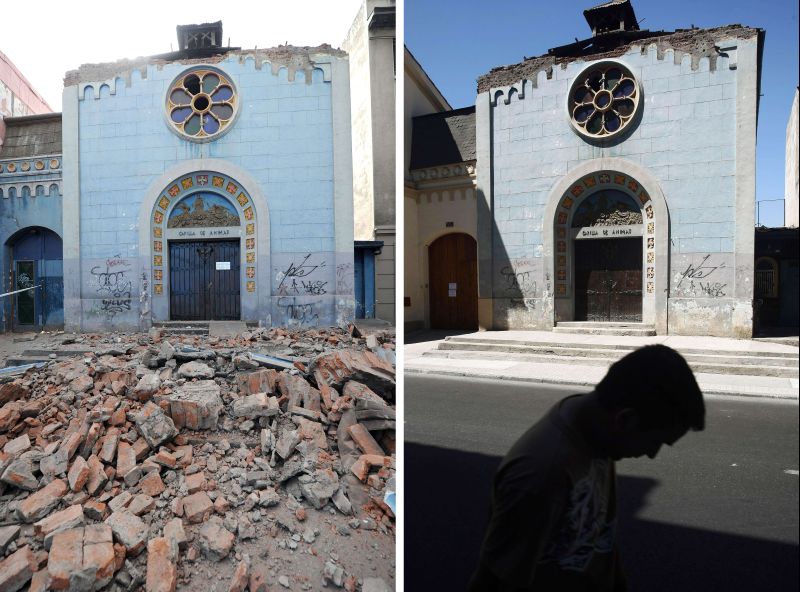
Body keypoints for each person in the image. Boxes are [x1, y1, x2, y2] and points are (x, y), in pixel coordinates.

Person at [467, 344, 705, 592]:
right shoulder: (542, 475)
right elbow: (493, 582)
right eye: (656, 441)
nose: (652, 454)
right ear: (625, 420)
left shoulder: (597, 428)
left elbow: (600, 535)